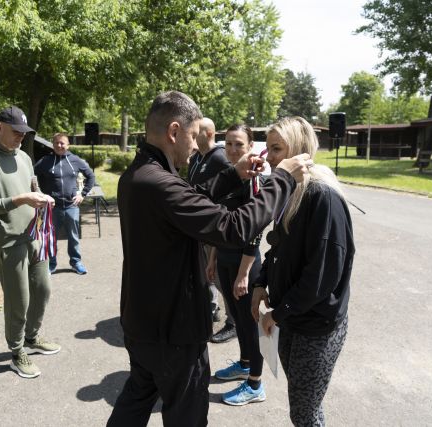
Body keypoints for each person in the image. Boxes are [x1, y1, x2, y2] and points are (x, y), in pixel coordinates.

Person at [107, 91, 311, 427]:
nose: (196, 144)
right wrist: (283, 179)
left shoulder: (138, 175)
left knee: (136, 398)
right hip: (173, 332)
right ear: (174, 131)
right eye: (193, 135)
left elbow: (189, 202)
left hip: (143, 324)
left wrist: (233, 174)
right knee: (186, 416)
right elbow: (233, 228)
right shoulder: (160, 184)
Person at [251, 117, 354, 426]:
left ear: (299, 149)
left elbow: (322, 275)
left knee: (303, 413)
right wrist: (261, 281)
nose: (269, 158)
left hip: (315, 325)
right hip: (291, 317)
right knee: (305, 403)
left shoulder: (322, 196)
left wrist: (278, 313)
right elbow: (278, 247)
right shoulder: (291, 190)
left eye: (277, 149)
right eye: (268, 148)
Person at [0, 106, 61, 379]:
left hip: (34, 234)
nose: (20, 137)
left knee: (42, 290)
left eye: (24, 133)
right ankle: (17, 351)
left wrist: (41, 197)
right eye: (16, 132)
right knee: (18, 300)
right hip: (8, 240)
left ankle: (32, 337)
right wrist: (21, 200)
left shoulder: (23, 156)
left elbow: (32, 187)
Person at [207, 124, 267, 406]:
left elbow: (255, 230)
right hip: (225, 259)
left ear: (250, 147)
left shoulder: (253, 181)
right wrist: (212, 258)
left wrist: (243, 274)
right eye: (228, 143)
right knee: (238, 320)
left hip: (246, 264)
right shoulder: (228, 176)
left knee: (249, 323)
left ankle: (255, 384)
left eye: (239, 144)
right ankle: (244, 364)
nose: (232, 149)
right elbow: (220, 223)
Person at [187, 117, 237, 344]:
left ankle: (233, 323)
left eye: (196, 131)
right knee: (206, 273)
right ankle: (212, 306)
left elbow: (231, 191)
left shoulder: (220, 157)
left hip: (214, 227)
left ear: (208, 134)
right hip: (199, 227)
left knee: (220, 277)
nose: (191, 134)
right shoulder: (197, 157)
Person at [34, 132, 95, 275]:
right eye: (56, 143)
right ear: (53, 144)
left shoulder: (75, 160)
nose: (59, 145)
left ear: (68, 145)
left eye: (62, 143)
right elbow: (32, 175)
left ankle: (76, 262)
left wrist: (82, 194)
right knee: (51, 237)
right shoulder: (45, 161)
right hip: (52, 208)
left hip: (71, 206)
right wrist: (39, 193)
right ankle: (51, 264)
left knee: (73, 237)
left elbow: (91, 176)